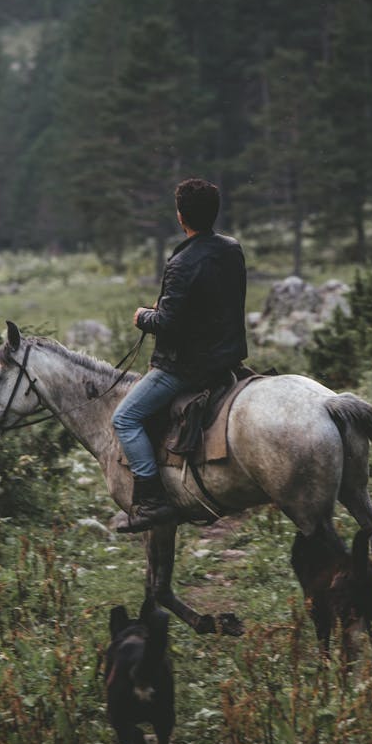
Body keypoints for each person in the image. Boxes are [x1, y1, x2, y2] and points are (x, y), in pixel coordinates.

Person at [112, 177, 247, 532]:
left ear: (181, 217)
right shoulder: (231, 249)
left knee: (124, 418)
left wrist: (145, 316)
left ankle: (152, 499)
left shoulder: (181, 262)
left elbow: (169, 323)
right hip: (227, 358)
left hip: (186, 368)